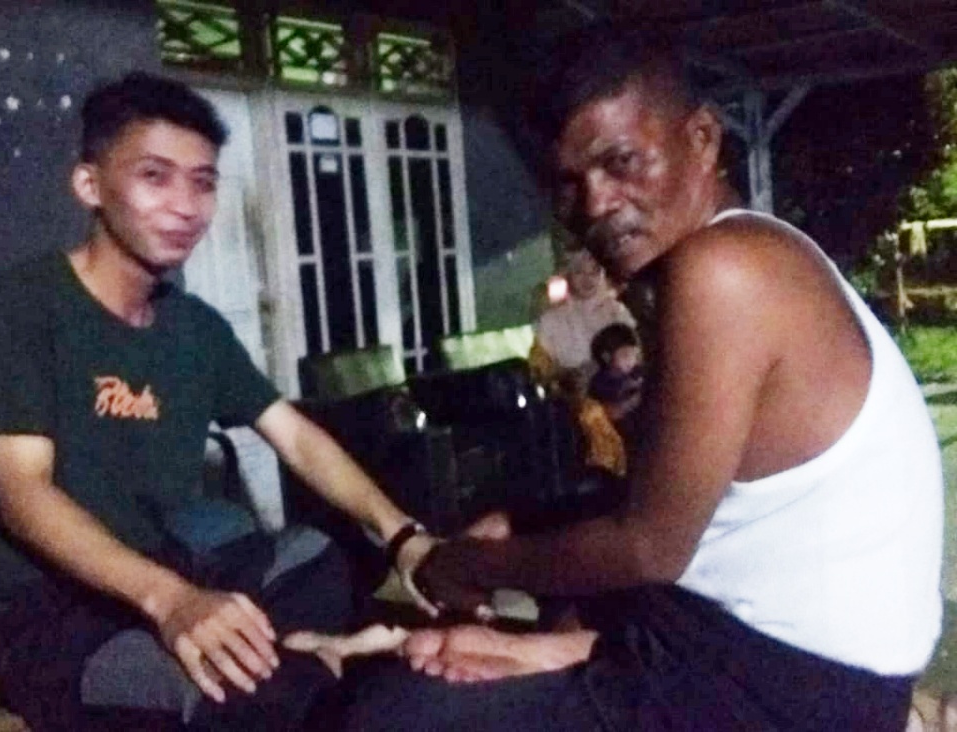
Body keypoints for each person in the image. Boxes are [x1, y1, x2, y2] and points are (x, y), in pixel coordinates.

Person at [333, 24, 943, 731]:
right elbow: (672, 502)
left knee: (391, 711)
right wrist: (518, 528)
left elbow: (650, 547)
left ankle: (560, 656)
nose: (596, 204)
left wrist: (471, 564)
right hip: (742, 643)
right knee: (527, 562)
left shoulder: (725, 269)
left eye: (621, 163)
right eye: (569, 183)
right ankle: (561, 653)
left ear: (703, 139)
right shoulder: (747, 252)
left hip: (790, 694)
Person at [0, 71, 441, 730]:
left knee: (316, 557)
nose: (186, 206)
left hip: (165, 565)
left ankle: (314, 658)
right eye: (155, 176)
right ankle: (328, 661)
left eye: (202, 182)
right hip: (51, 611)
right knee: (228, 695)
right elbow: (21, 495)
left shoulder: (194, 327)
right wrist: (171, 601)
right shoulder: (26, 305)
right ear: (90, 185)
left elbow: (296, 437)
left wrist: (402, 536)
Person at [530, 248, 638, 476]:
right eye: (579, 272)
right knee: (592, 414)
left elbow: (638, 355)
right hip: (576, 398)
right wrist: (568, 376)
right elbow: (540, 372)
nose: (587, 279)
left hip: (622, 389)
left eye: (594, 272)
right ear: (569, 275)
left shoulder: (618, 312)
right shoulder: (551, 320)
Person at [587, 321, 646, 437]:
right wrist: (635, 400)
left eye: (635, 355)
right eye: (625, 355)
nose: (632, 360)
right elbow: (609, 413)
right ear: (606, 357)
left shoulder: (637, 372)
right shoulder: (600, 382)